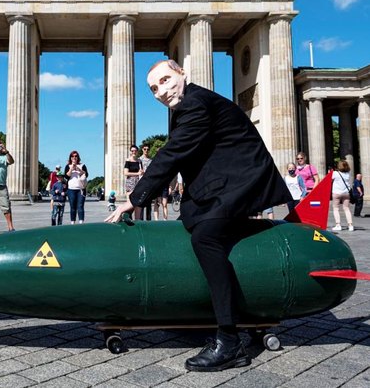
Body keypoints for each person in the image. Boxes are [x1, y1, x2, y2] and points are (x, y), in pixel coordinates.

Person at [105, 60, 291, 372]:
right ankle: (198, 316)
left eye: (165, 80)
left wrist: (134, 199)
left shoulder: (195, 103)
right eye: (154, 88)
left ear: (182, 72)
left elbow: (172, 153)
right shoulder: (189, 105)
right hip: (218, 183)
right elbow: (182, 156)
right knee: (185, 231)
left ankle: (230, 341)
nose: (161, 91)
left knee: (206, 239)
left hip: (241, 181)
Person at [64, 150, 88, 224]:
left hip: (81, 189)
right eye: (73, 156)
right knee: (72, 207)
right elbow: (66, 177)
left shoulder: (82, 165)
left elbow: (86, 174)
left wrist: (78, 169)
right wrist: (71, 169)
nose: (74, 157)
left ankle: (81, 222)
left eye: (76, 156)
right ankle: (72, 222)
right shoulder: (67, 166)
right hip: (71, 189)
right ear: (70, 158)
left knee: (80, 206)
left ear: (78, 157)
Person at [331, 160, 354, 232]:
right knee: (346, 208)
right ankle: (350, 225)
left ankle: (338, 225)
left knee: (336, 208)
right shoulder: (348, 173)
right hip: (346, 193)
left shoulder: (335, 173)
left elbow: (329, 180)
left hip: (336, 193)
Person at [123, 145, 142, 220]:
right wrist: (137, 174)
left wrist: (141, 173)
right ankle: (128, 218)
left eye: (135, 151)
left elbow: (141, 172)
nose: (134, 152)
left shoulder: (139, 161)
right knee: (130, 202)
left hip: (138, 182)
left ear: (137, 151)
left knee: (138, 202)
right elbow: (125, 173)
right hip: (130, 182)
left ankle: (137, 220)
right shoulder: (128, 161)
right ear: (130, 152)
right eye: (132, 151)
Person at [139, 144, 153, 220]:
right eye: (145, 149)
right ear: (142, 149)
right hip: (141, 182)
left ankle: (148, 220)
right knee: (141, 202)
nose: (146, 151)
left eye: (147, 149)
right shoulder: (139, 160)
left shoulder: (151, 160)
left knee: (148, 203)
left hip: (149, 183)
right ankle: (140, 219)